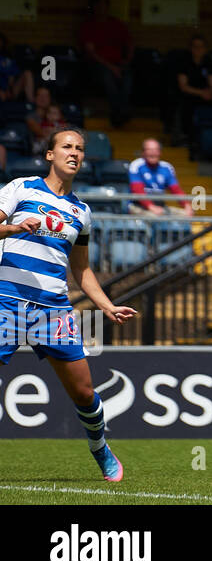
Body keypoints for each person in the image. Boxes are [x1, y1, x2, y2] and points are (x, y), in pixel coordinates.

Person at [0, 129, 137, 481]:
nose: (74, 153)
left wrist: (107, 306)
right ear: (49, 154)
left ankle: (101, 450)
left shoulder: (82, 211)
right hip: (7, 302)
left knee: (84, 391)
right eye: (66, 147)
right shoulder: (21, 188)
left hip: (53, 310)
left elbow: (82, 269)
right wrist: (13, 229)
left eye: (79, 149)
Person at [77, 0, 133, 128]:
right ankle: (117, 114)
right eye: (98, 4)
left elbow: (130, 43)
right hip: (97, 66)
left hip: (119, 64)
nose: (101, 7)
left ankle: (122, 111)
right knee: (107, 77)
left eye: (104, 4)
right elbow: (91, 53)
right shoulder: (88, 26)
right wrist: (112, 67)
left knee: (128, 77)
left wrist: (127, 60)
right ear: (93, 6)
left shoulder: (116, 24)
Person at [128, 138, 191, 216]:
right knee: (154, 217)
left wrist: (186, 205)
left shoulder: (167, 167)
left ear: (160, 152)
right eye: (149, 150)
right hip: (139, 206)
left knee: (186, 215)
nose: (153, 153)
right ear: (143, 152)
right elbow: (137, 190)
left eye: (156, 150)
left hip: (160, 207)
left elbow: (176, 189)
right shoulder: (136, 165)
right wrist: (151, 207)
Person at [174, 35, 212, 143]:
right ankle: (185, 137)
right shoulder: (184, 62)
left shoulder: (208, 61)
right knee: (186, 106)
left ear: (205, 49)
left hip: (205, 97)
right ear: (191, 48)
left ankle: (209, 139)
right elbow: (183, 86)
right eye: (195, 46)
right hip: (189, 96)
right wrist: (201, 93)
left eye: (201, 47)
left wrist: (210, 91)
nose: (198, 49)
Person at [0, 32, 35, 103]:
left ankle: (32, 103)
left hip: (8, 91)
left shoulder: (7, 59)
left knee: (27, 73)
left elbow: (11, 76)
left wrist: (8, 90)